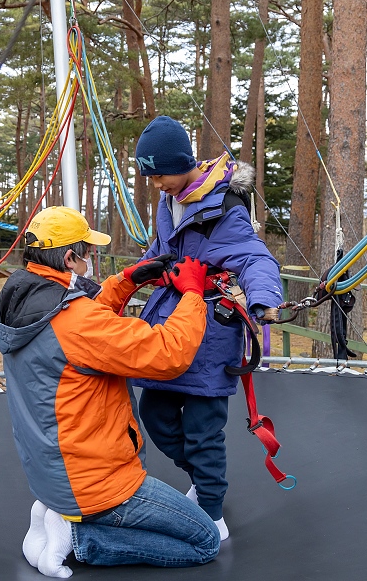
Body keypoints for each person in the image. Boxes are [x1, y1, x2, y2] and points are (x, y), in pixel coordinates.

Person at [0, 205, 220, 578]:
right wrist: (193, 294)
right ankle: (80, 536)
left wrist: (127, 281)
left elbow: (79, 331)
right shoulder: (76, 321)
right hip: (95, 483)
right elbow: (167, 353)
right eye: (86, 253)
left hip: (54, 474)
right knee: (205, 540)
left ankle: (50, 514)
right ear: (69, 257)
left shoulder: (21, 301)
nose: (90, 260)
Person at [131, 116, 284, 541]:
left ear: (180, 163)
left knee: (202, 429)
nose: (155, 183)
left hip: (210, 333)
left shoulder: (225, 208)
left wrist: (264, 300)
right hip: (169, 324)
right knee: (155, 416)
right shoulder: (170, 200)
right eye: (150, 175)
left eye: (158, 173)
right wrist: (138, 275)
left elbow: (255, 258)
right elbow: (163, 249)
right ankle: (202, 477)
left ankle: (212, 511)